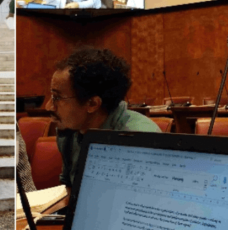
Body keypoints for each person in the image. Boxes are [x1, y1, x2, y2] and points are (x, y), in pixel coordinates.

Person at [47, 48, 159, 196]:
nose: (48, 106)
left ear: (92, 104)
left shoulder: (140, 140)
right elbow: (70, 187)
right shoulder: (69, 132)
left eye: (57, 98)